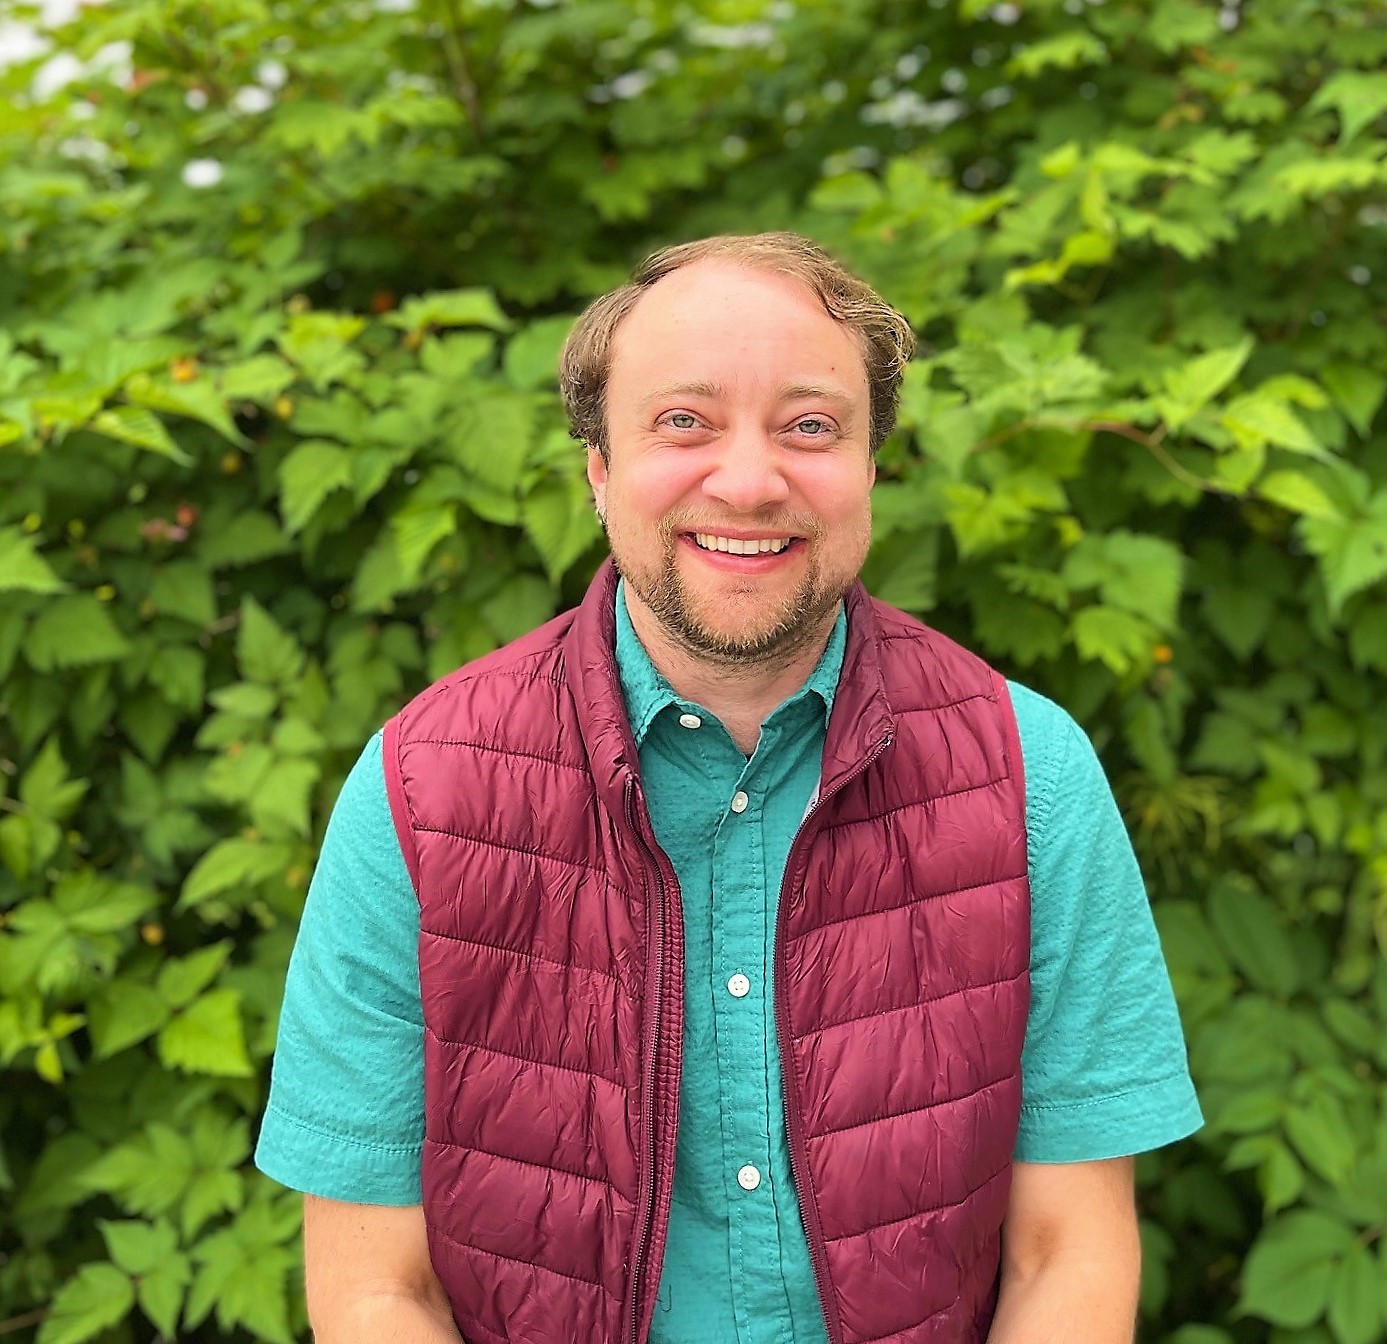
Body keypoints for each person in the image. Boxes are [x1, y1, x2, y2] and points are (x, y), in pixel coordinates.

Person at [255, 232, 1202, 1344]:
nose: (748, 482)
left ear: (869, 471)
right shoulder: (418, 795)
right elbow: (376, 1292)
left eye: (809, 426)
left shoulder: (1032, 775)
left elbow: (1067, 1255)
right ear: (598, 470)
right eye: (683, 422)